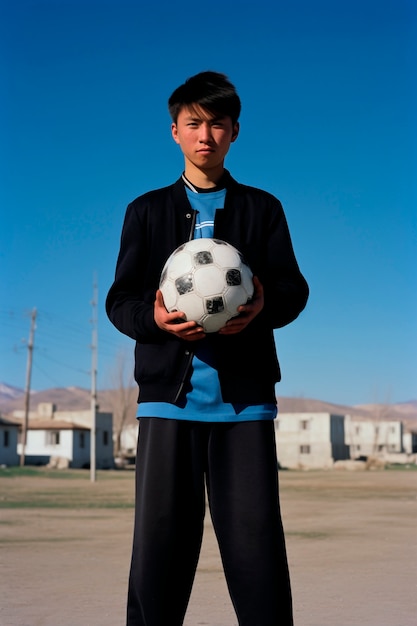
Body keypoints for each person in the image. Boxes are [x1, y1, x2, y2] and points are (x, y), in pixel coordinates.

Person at [106, 70, 309, 626]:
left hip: (244, 406)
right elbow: (119, 301)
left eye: (217, 124)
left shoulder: (262, 210)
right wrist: (153, 320)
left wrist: (263, 305)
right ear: (174, 131)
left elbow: (294, 289)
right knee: (159, 553)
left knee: (257, 550)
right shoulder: (145, 211)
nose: (205, 135)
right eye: (193, 123)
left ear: (234, 132)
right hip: (166, 404)